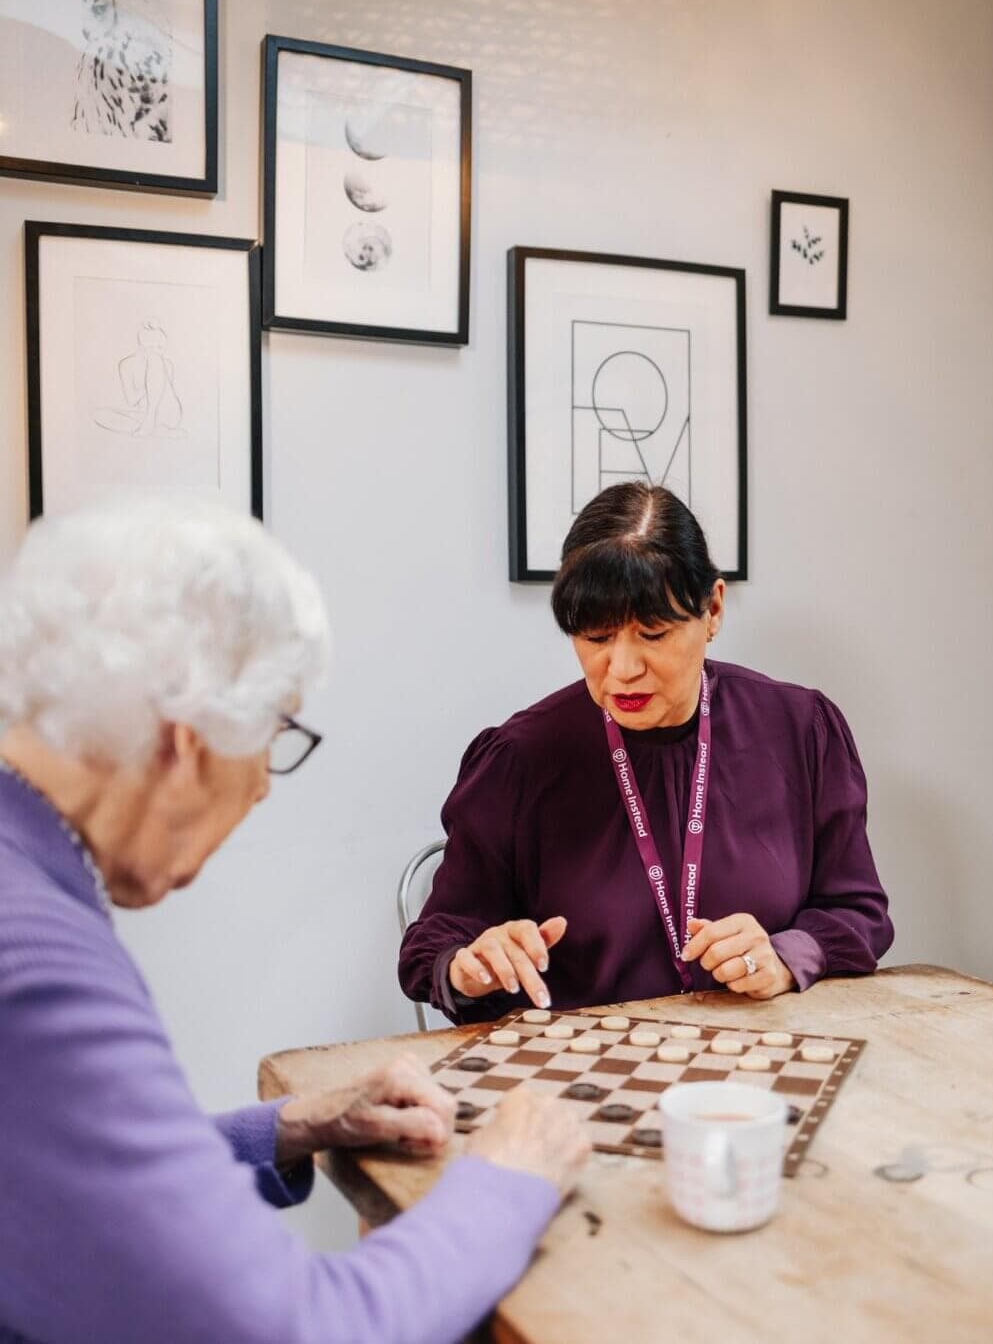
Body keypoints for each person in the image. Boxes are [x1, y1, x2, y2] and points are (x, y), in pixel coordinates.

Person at [0, 498, 589, 1344]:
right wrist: (507, 1178)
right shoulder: (39, 971)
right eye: (275, 734)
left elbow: (66, 1171)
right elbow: (304, 1329)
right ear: (189, 739)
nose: (266, 785)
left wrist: (294, 1125)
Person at [399, 482, 894, 1023]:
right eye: (596, 637)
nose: (623, 667)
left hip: (755, 1070)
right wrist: (468, 967)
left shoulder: (800, 730)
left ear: (713, 610)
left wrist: (784, 956)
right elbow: (435, 943)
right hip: (578, 1082)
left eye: (653, 633)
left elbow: (858, 913)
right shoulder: (519, 760)